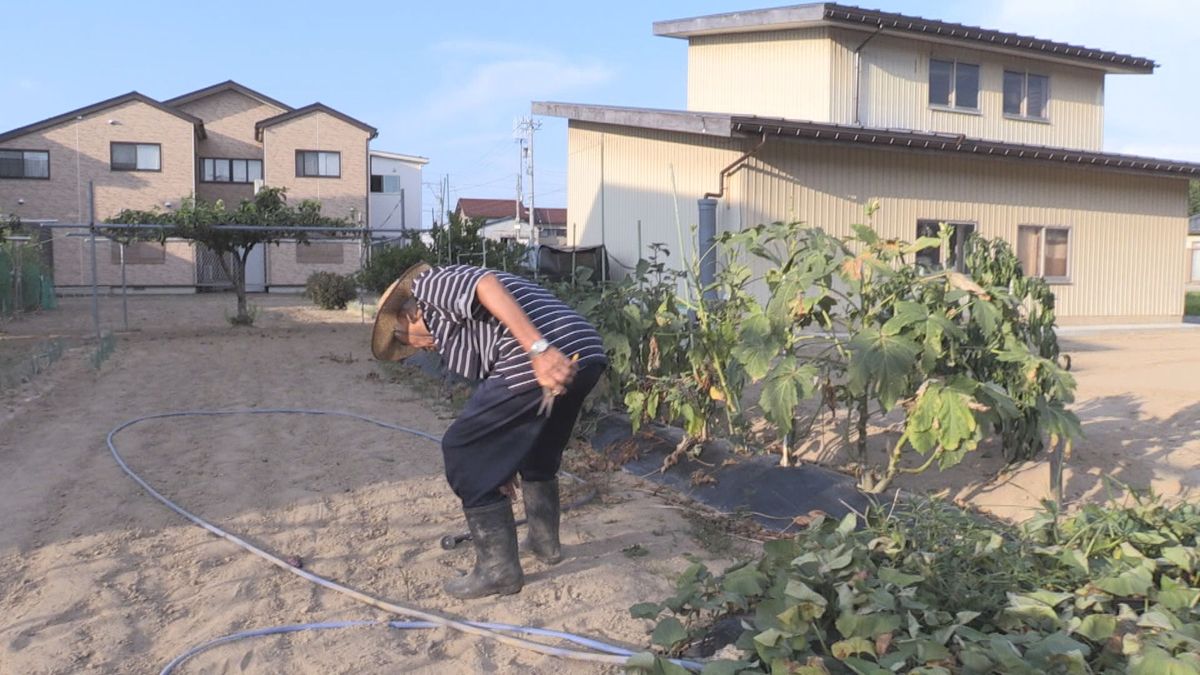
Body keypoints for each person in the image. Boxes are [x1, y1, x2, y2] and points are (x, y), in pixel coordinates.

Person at [371, 262, 607, 599]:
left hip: (544, 352)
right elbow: (498, 405)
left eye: (407, 343)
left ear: (408, 317)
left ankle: (498, 571)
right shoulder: (461, 329)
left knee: (462, 448)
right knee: (537, 451)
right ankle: (544, 544)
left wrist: (539, 351)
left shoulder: (428, 285)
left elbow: (485, 283)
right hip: (586, 351)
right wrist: (498, 460)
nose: (419, 350)